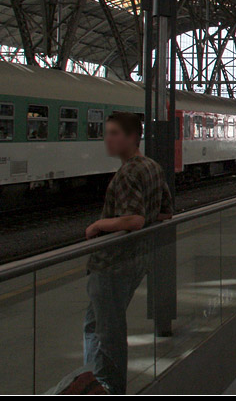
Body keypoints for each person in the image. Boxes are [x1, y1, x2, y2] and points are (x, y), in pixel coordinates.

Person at [83, 112, 173, 395]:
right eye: (106, 132)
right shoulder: (152, 168)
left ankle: (107, 389)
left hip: (112, 262)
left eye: (114, 133)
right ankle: (95, 384)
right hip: (138, 259)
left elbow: (133, 220)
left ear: (133, 137)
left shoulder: (128, 173)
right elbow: (166, 213)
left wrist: (99, 224)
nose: (107, 139)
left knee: (105, 334)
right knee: (96, 324)